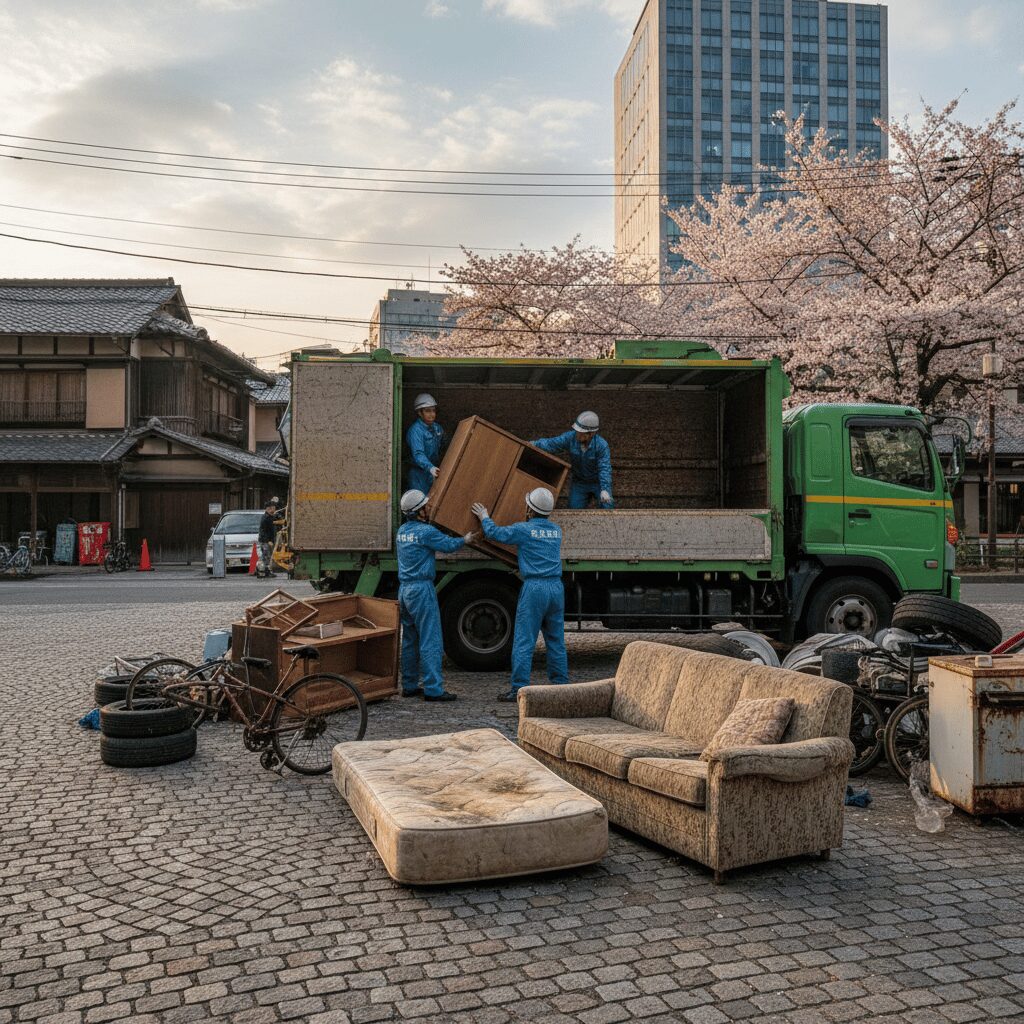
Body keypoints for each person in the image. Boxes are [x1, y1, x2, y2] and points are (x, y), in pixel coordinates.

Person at [472, 488, 567, 702]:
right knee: (556, 641)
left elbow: (495, 533)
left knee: (524, 641)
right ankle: (561, 686)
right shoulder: (556, 530)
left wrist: (484, 517)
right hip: (555, 587)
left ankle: (519, 689)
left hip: (534, 588)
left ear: (529, 509)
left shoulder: (524, 530)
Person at [397, 489, 474, 701]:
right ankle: (433, 689)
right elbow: (447, 545)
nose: (428, 508)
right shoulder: (426, 533)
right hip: (422, 590)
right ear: (418, 512)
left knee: (410, 640)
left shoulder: (402, 531)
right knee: (430, 639)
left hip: (404, 590)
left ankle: (409, 685)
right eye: (425, 507)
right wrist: (464, 539)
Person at [531, 411, 613, 509]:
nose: (577, 435)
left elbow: (604, 468)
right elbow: (551, 444)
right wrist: (533, 444)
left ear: (591, 434)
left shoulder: (601, 445)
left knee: (607, 506)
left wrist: (604, 489)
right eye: (577, 431)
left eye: (581, 433)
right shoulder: (570, 437)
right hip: (579, 482)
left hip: (598, 483)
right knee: (573, 509)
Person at [406, 393, 445, 494]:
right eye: (428, 411)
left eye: (433, 410)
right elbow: (418, 453)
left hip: (433, 471)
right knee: (419, 502)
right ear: (419, 412)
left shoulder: (438, 428)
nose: (432, 414)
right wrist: (430, 467)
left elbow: (445, 447)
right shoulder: (415, 430)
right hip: (418, 473)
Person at [256, 497, 280, 578]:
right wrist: (268, 540)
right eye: (272, 508)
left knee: (266, 557)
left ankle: (264, 571)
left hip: (268, 540)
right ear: (268, 509)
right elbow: (263, 531)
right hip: (265, 541)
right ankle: (264, 572)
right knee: (266, 556)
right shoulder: (266, 518)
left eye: (274, 508)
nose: (274, 509)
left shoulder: (270, 517)